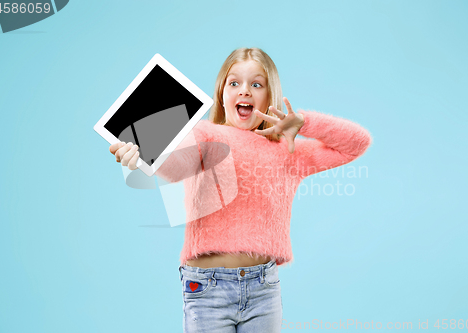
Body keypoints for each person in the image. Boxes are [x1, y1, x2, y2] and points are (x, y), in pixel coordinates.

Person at [109, 47, 373, 332]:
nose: (244, 91)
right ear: (222, 93)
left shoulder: (289, 150)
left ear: (270, 96)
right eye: (234, 83)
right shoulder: (206, 133)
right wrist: (145, 156)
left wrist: (306, 123)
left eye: (256, 84)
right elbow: (177, 166)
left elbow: (357, 143)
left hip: (263, 289)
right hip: (207, 288)